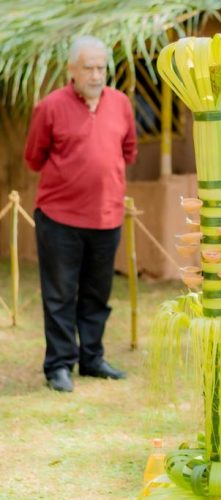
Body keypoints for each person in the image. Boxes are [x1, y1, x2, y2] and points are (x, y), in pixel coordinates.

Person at [24, 36, 137, 392]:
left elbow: (129, 150)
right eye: (88, 68)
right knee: (59, 295)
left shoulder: (120, 104)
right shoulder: (49, 107)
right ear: (72, 69)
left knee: (96, 294)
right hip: (59, 218)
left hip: (107, 216)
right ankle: (59, 365)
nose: (96, 74)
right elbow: (34, 158)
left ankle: (92, 359)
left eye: (101, 67)